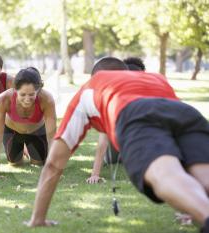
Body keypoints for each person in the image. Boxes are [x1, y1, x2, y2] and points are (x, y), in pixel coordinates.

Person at [27, 57, 209, 233]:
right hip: (187, 113)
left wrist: (38, 218)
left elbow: (53, 164)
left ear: (95, 75)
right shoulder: (153, 77)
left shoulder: (90, 88)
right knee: (202, 173)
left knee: (165, 173)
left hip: (135, 114)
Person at [0, 67, 56, 179]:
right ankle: (24, 149)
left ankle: (29, 150)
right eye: (23, 94)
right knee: (15, 163)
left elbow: (52, 137)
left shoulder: (46, 99)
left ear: (38, 90)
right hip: (13, 132)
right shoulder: (4, 99)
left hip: (36, 132)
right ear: (15, 89)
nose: (27, 99)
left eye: (31, 95)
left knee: (38, 163)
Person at [86, 57, 146, 184]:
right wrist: (95, 174)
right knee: (113, 159)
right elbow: (103, 141)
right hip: (117, 143)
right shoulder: (111, 101)